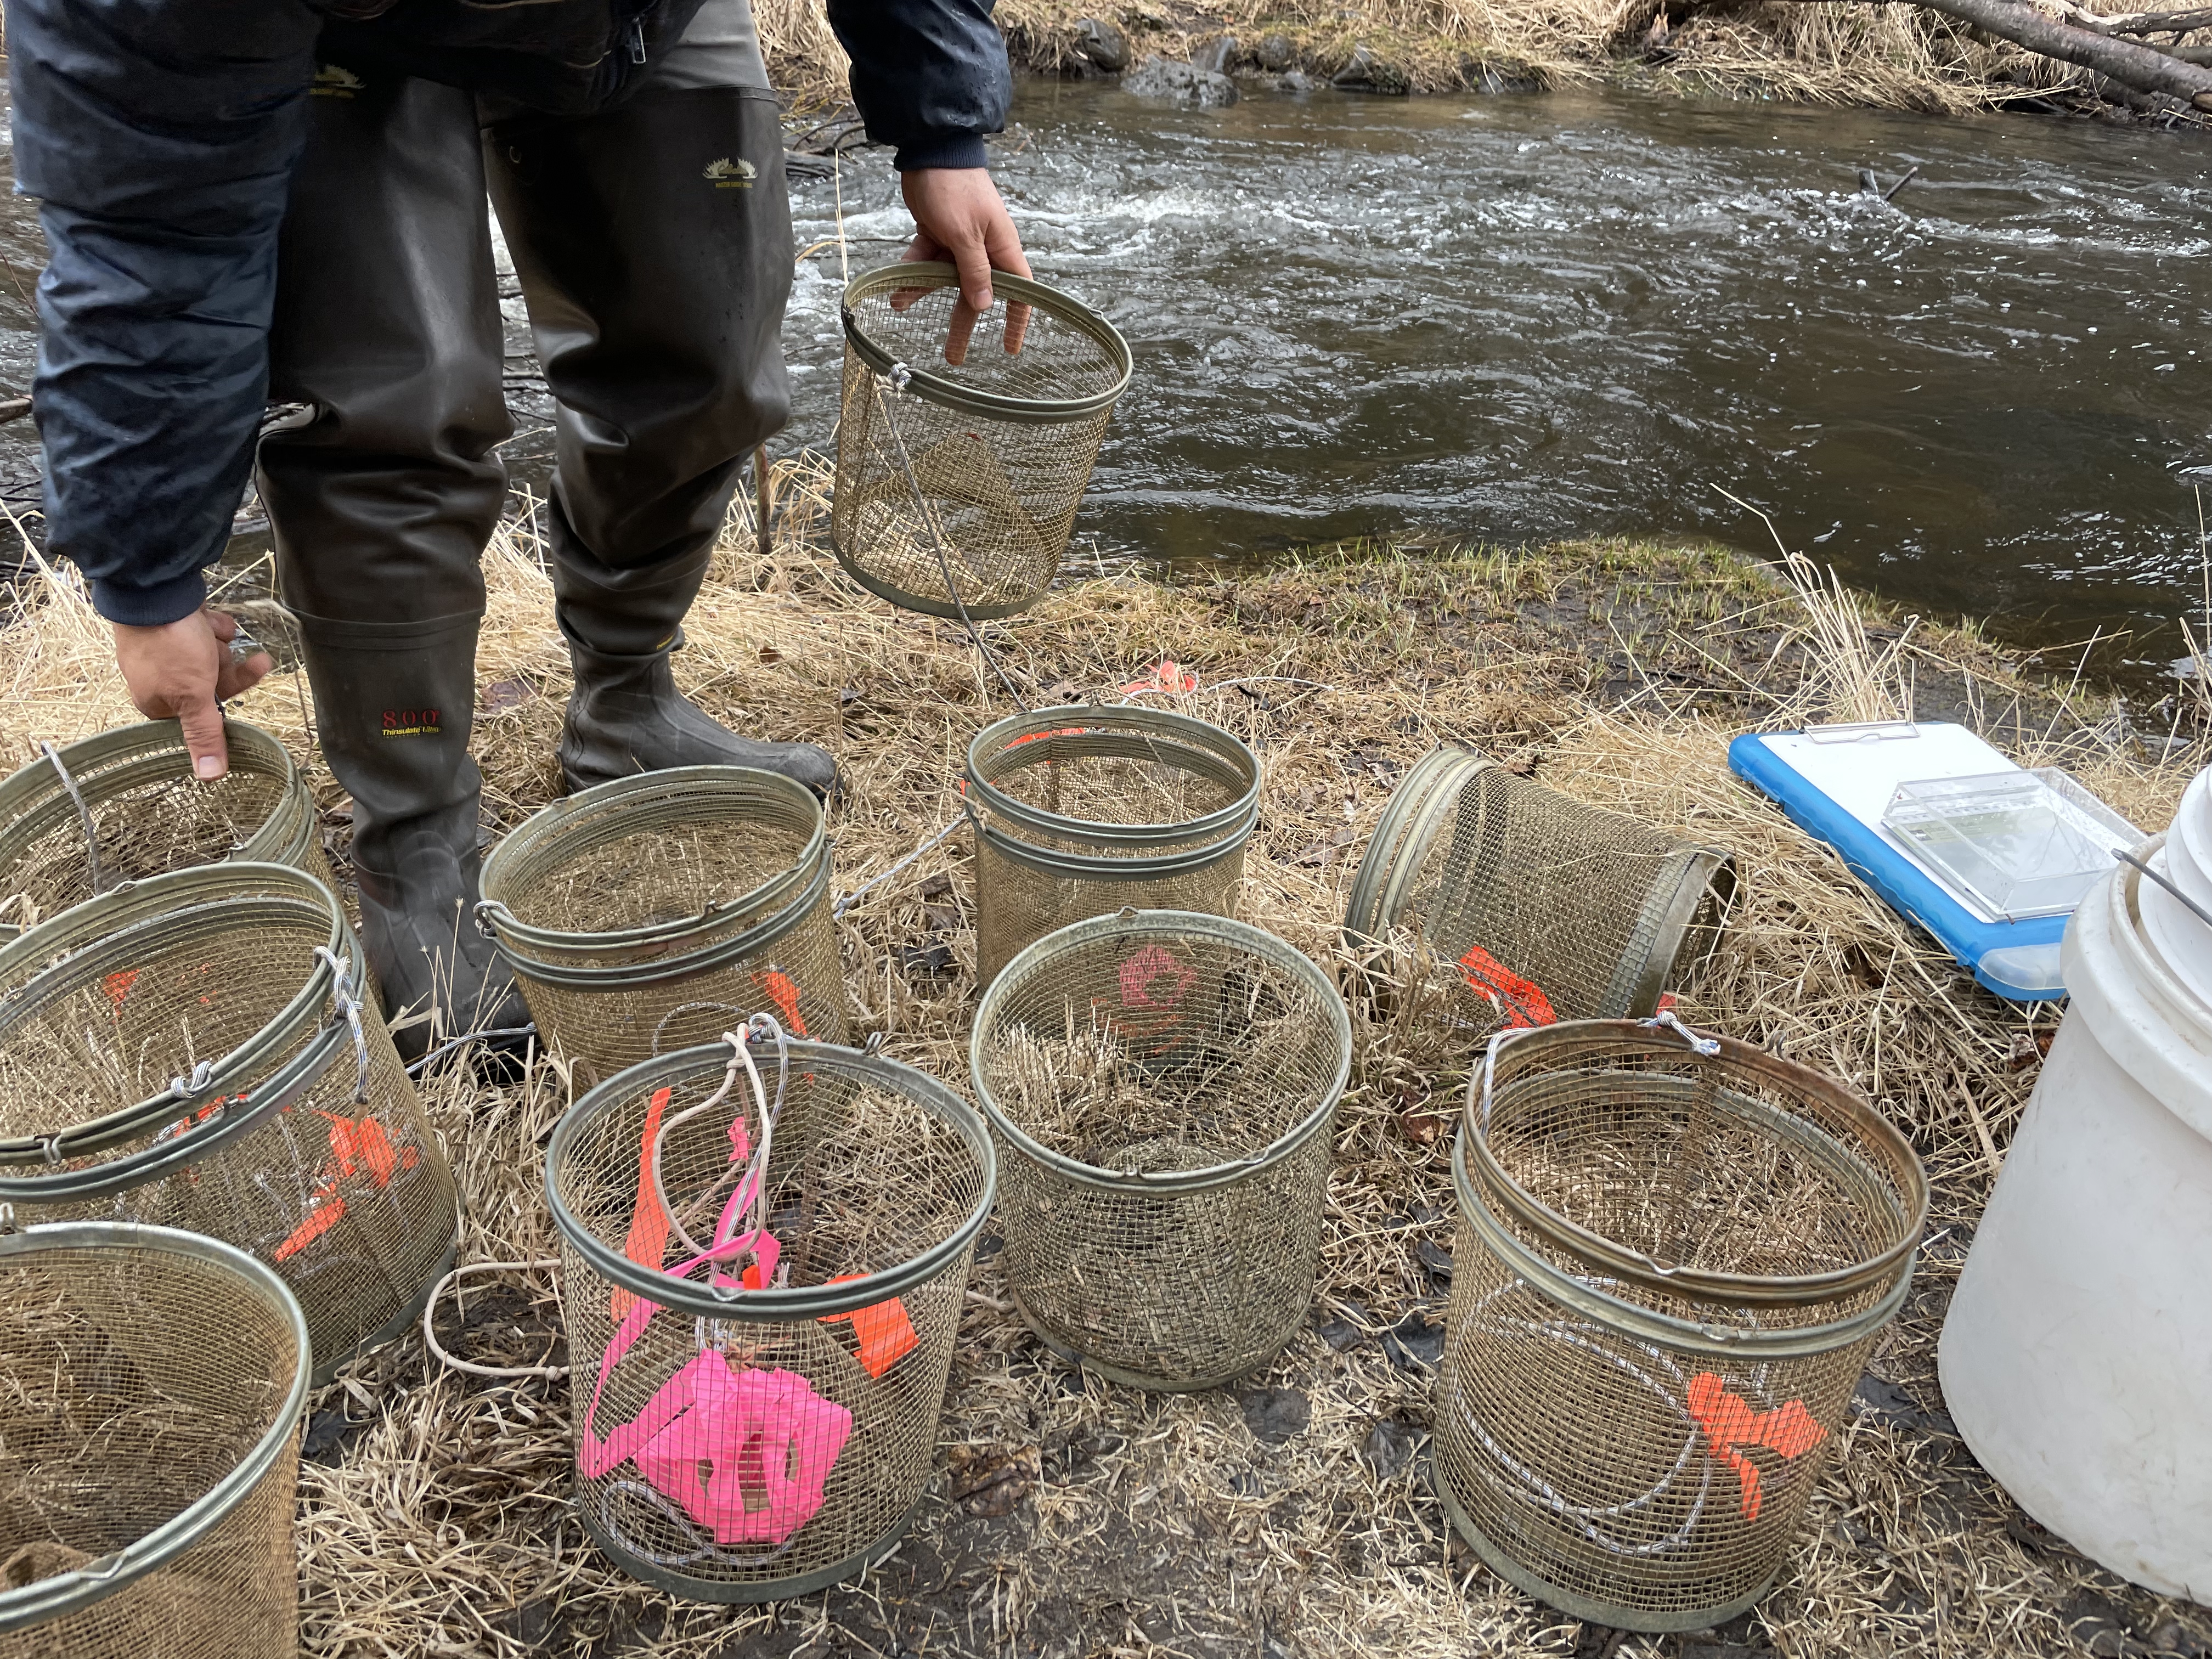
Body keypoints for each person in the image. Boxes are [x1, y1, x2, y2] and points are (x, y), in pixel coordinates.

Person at [5, 0, 1032, 1056]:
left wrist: (940, 125)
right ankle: (419, 852)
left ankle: (628, 705)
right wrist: (146, 571)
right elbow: (148, 206)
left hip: (643, 17)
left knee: (708, 359)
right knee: (392, 410)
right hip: (334, 30)